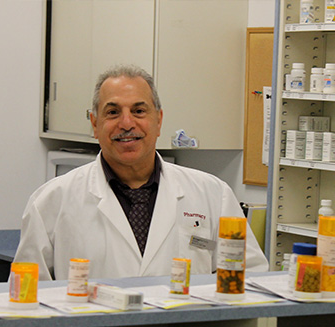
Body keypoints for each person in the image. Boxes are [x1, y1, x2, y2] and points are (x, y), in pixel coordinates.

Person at [14, 64, 269, 280]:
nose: (127, 123)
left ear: (158, 120)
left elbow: (250, 280)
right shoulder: (50, 201)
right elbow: (26, 296)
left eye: (138, 111)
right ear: (95, 124)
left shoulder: (213, 195)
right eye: (113, 112)